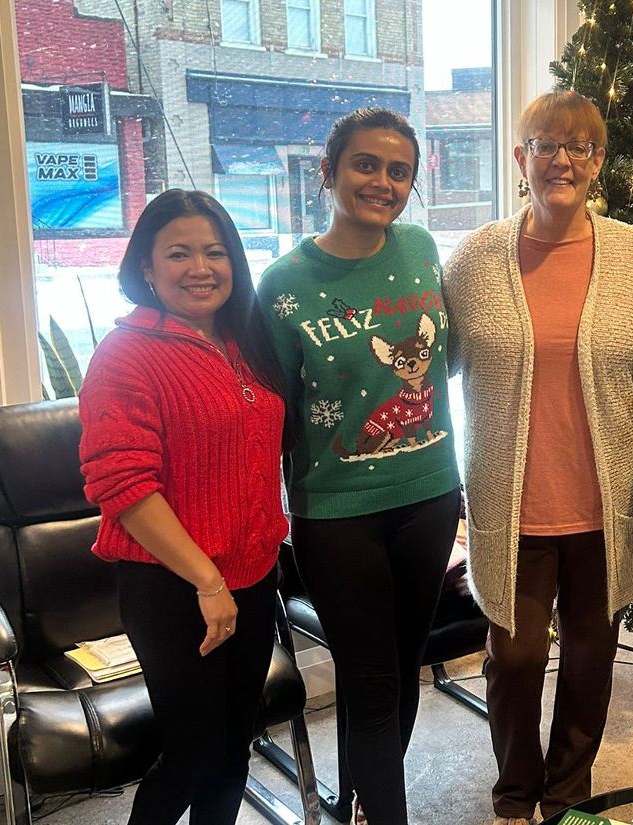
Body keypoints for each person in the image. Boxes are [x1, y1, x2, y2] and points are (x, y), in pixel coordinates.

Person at [444, 90, 633, 825]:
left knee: (591, 659)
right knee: (515, 657)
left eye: (580, 147)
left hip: (607, 504)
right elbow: (426, 360)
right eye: (546, 145)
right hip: (513, 507)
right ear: (521, 158)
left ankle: (569, 795)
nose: (562, 160)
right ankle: (515, 793)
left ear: (599, 161)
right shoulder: (475, 259)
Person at [257, 107, 461, 825]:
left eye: (399, 171)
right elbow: (273, 411)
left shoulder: (421, 249)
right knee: (371, 683)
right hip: (337, 513)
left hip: (431, 495)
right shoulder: (283, 284)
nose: (382, 182)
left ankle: (358, 809)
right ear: (329, 171)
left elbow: (446, 357)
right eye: (365, 165)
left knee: (400, 671)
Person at [78, 189, 289, 825]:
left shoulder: (244, 340)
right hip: (174, 587)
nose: (201, 268)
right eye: (179, 254)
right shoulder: (126, 354)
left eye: (215, 252)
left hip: (253, 575)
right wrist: (207, 582)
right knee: (193, 754)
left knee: (232, 748)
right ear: (146, 266)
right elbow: (122, 485)